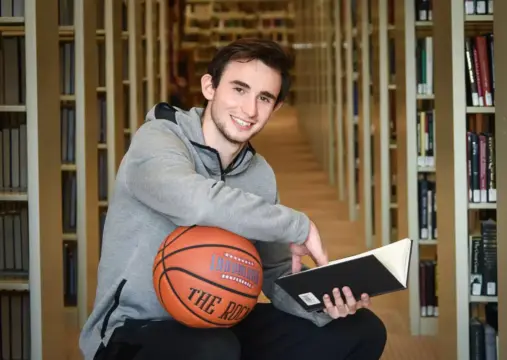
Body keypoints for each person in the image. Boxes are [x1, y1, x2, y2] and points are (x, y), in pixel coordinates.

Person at [79, 38, 387, 360]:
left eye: (264, 98)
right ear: (209, 87)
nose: (249, 110)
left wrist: (322, 303)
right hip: (132, 329)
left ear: (276, 107)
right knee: (215, 351)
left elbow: (273, 274)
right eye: (239, 89)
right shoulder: (157, 139)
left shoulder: (260, 175)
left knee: (362, 330)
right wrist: (297, 225)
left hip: (220, 316)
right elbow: (195, 202)